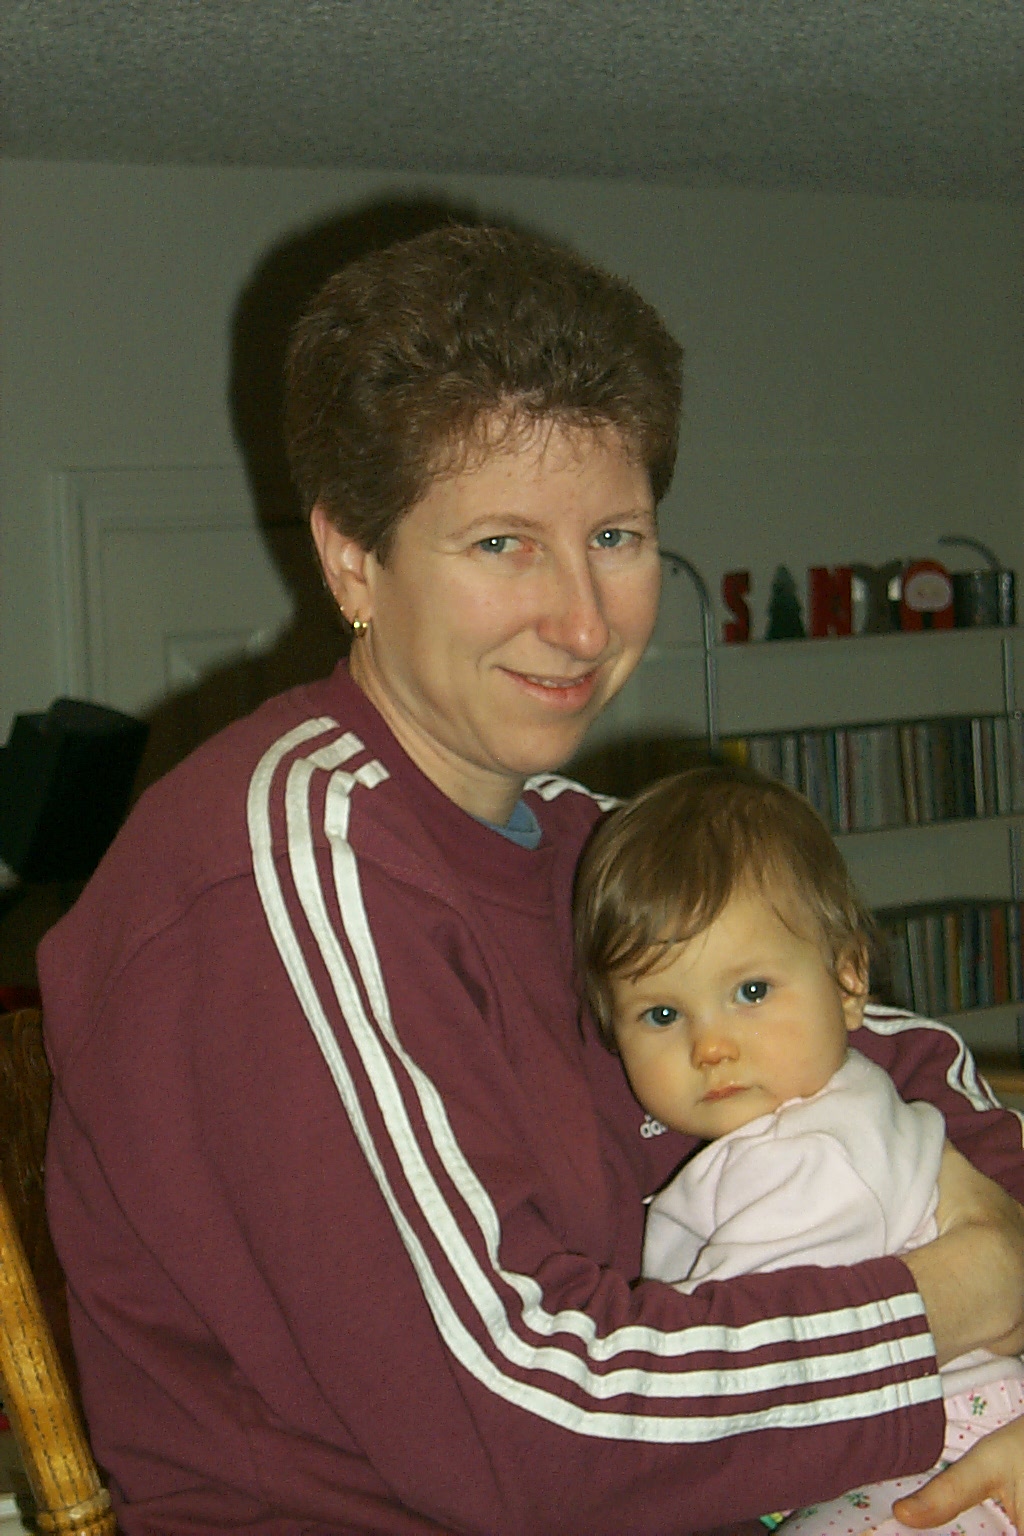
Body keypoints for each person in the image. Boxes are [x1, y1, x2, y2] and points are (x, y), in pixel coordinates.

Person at [36, 223, 1024, 1536]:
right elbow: (526, 1432)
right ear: (353, 560)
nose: (582, 620)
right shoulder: (281, 868)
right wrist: (964, 1294)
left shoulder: (585, 846)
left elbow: (896, 1067)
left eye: (614, 535)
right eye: (502, 543)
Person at [573, 761, 1024, 1533]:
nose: (711, 1047)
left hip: (951, 1439)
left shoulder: (820, 1150)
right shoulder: (797, 1122)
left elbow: (731, 1354)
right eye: (661, 1015)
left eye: (751, 992)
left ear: (848, 984)